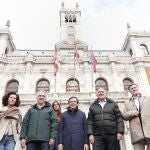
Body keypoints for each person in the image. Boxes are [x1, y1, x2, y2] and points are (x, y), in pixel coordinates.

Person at [123, 83, 150, 150]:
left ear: (137, 88)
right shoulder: (127, 103)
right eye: (131, 89)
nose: (133, 89)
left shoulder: (147, 99)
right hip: (136, 133)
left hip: (148, 129)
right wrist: (132, 113)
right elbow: (124, 115)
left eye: (135, 87)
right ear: (130, 91)